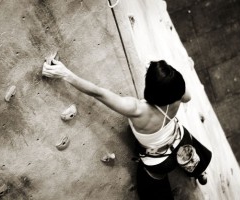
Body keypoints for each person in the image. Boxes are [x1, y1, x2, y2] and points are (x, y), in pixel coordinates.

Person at [42, 59, 208, 200]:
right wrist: (172, 81)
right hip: (181, 140)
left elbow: (98, 93)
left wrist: (65, 73)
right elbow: (186, 95)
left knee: (152, 185)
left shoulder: (136, 109)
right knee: (190, 151)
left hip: (160, 161)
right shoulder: (178, 98)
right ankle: (199, 171)